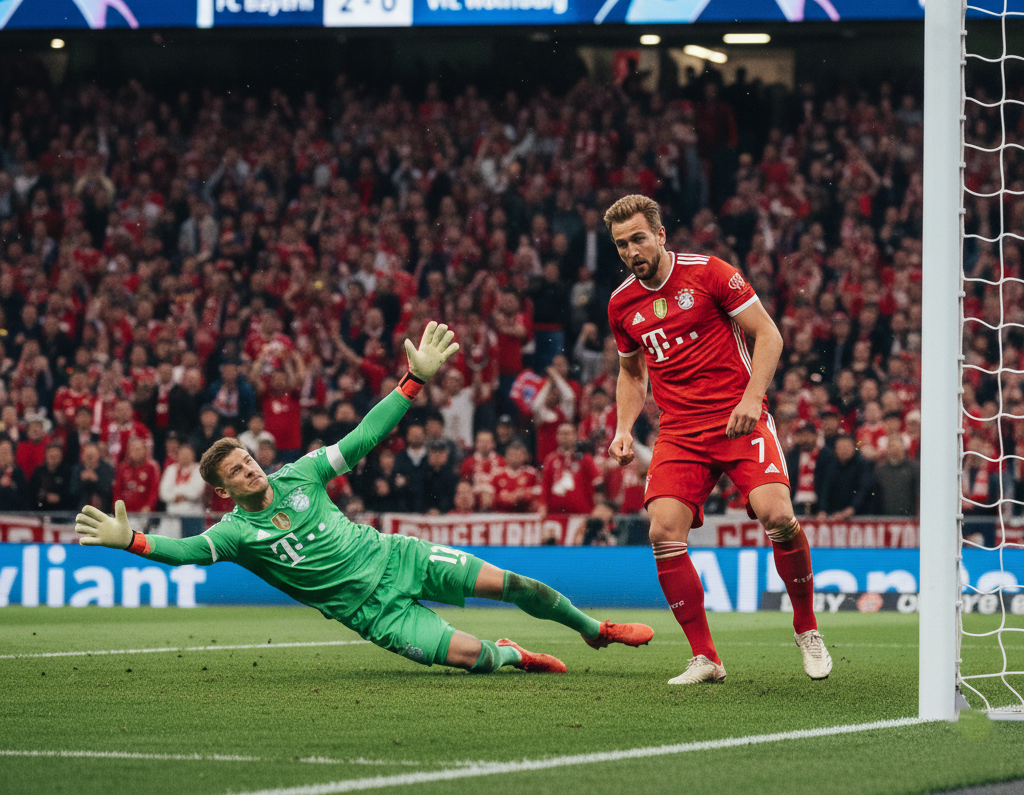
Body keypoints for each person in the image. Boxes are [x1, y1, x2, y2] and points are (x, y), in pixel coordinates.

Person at [78, 323, 653, 674]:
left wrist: (413, 381)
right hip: (375, 613)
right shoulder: (233, 535)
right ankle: (513, 654)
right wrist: (128, 540)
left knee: (515, 585)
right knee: (474, 659)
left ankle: (591, 628)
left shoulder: (298, 474)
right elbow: (181, 554)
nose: (252, 470)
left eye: (249, 460)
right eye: (238, 471)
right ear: (223, 488)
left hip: (401, 557)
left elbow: (364, 437)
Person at [604, 194, 830, 684]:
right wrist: (623, 429)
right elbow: (630, 373)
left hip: (737, 419)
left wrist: (752, 400)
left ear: (661, 235)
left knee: (779, 515)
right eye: (621, 244)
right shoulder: (622, 304)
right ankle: (706, 657)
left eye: (638, 238)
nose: (630, 250)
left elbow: (769, 335)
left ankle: (807, 627)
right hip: (680, 431)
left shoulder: (710, 274)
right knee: (663, 532)